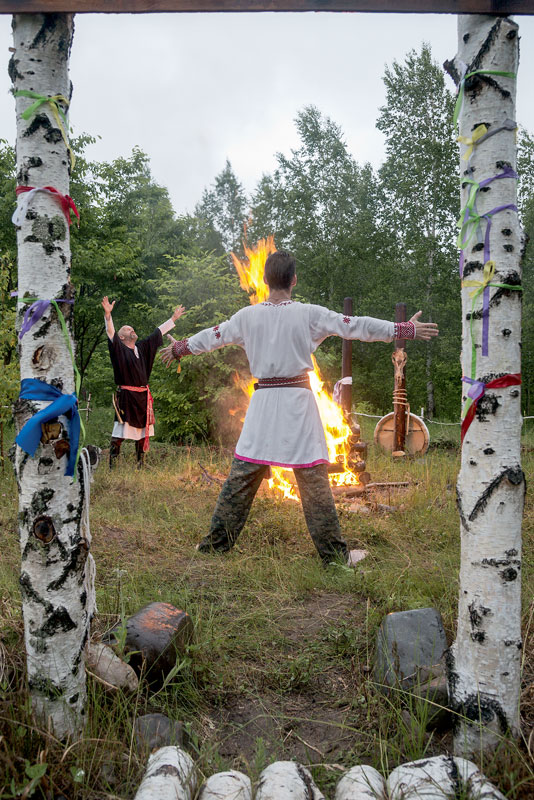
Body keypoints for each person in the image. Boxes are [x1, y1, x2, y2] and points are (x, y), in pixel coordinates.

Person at [160, 251, 438, 565]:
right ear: (294, 280)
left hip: (264, 404)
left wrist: (179, 348)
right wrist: (403, 330)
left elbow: (212, 336)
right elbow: (356, 326)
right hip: (297, 404)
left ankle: (214, 549)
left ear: (265, 280)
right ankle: (334, 558)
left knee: (241, 479)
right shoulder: (309, 313)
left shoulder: (246, 316)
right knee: (313, 482)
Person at [102, 296, 185, 467]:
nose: (130, 329)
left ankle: (140, 464)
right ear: (122, 338)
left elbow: (157, 333)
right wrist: (108, 315)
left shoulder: (142, 347)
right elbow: (110, 333)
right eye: (126, 329)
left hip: (142, 397)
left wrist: (173, 318)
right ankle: (112, 465)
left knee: (141, 432)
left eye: (131, 328)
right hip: (126, 397)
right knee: (121, 431)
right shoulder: (118, 349)